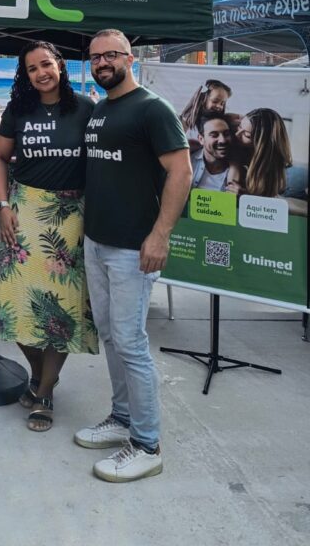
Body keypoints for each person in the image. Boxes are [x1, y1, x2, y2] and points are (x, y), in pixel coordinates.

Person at [76, 28, 191, 482]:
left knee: (131, 343)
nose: (102, 63)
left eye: (110, 55)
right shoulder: (103, 108)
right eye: (94, 57)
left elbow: (180, 172)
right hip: (97, 242)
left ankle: (147, 444)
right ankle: (122, 418)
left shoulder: (152, 108)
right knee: (110, 336)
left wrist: (160, 235)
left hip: (132, 249)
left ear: (130, 58)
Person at [0, 41, 97, 432]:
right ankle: (39, 374)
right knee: (13, 307)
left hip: (70, 216)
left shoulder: (86, 108)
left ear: (60, 66)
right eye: (32, 68)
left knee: (60, 311)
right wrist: (3, 205)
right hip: (21, 214)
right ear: (26, 74)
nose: (41, 73)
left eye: (46, 64)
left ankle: (45, 391)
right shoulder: (19, 110)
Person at [179, 79, 232, 150]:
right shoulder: (184, 122)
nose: (219, 106)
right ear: (202, 99)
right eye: (215, 101)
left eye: (222, 103)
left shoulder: (224, 122)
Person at [190, 116, 239, 193]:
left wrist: (242, 199)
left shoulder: (241, 171)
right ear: (201, 139)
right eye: (214, 135)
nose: (222, 140)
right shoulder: (187, 163)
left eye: (226, 134)